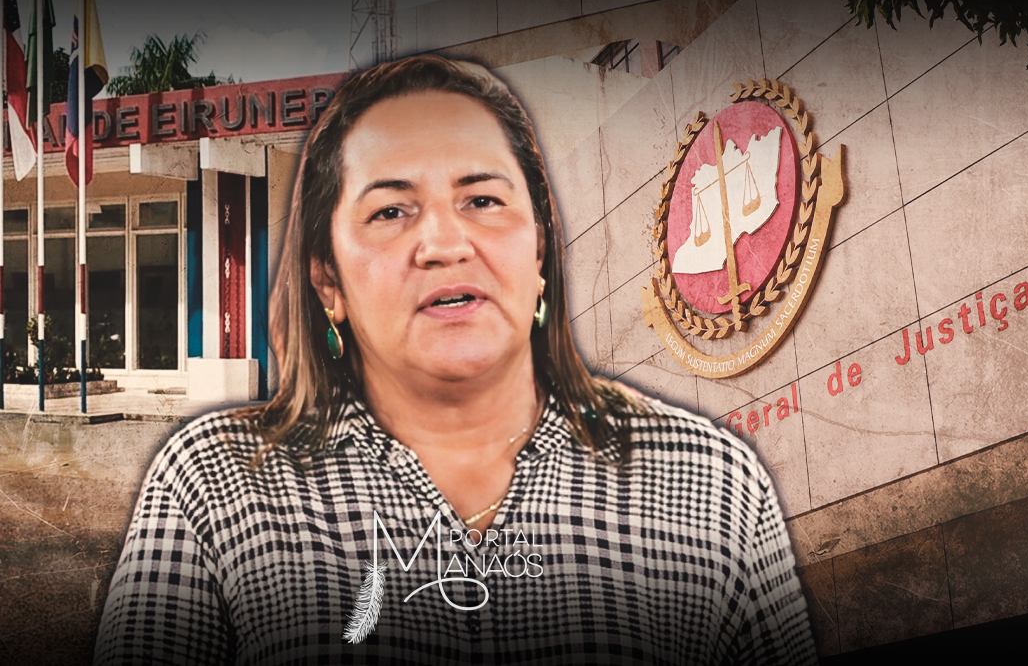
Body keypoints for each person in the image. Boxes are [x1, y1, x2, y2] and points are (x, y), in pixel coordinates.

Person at [94, 55, 817, 665]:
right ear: (327, 280)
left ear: (539, 251)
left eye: (482, 199)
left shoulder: (712, 485)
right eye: (390, 210)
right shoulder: (215, 489)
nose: (444, 244)